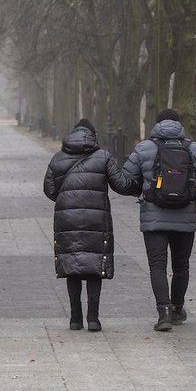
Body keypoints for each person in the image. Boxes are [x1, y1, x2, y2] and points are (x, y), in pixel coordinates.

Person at [123, 108, 196, 332]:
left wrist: (141, 189)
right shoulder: (194, 149)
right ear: (179, 125)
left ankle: (163, 312)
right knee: (181, 266)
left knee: (157, 266)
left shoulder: (144, 148)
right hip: (185, 218)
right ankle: (177, 309)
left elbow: (125, 180)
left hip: (153, 219)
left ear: (157, 125)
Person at [44, 119, 138, 331]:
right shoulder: (103, 157)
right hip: (96, 220)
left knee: (72, 265)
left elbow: (49, 190)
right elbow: (122, 185)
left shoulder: (57, 158)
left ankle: (75, 319)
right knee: (94, 265)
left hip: (67, 220)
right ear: (93, 136)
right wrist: (140, 186)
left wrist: (67, 200)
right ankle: (93, 319)